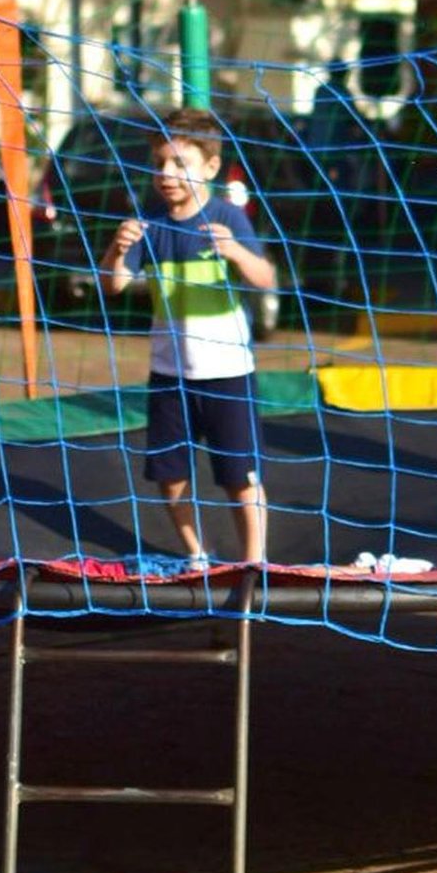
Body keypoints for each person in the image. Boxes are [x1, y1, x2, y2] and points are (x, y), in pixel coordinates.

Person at [101, 106, 278, 566]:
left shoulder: (227, 218)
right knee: (170, 477)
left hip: (227, 374)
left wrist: (236, 252)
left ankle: (253, 563)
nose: (167, 174)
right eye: (159, 163)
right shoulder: (149, 222)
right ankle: (198, 553)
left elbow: (265, 278)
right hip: (169, 375)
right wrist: (116, 250)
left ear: (211, 167)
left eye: (180, 164)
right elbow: (114, 285)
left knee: (240, 478)